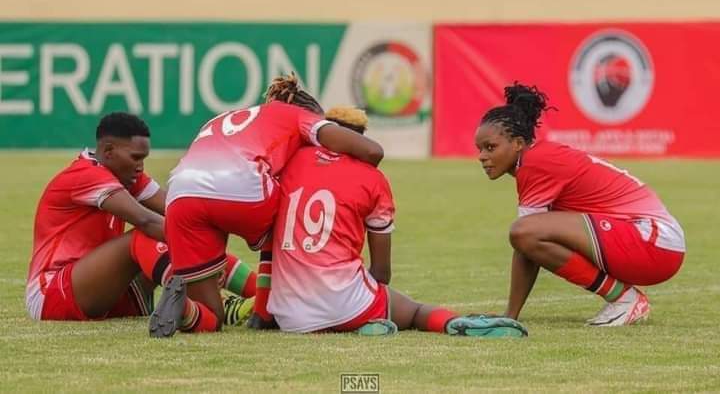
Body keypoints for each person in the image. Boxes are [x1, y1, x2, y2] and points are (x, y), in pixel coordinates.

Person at [149, 74, 385, 337]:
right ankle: (263, 312)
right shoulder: (298, 116)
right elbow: (372, 151)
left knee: (211, 317)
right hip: (242, 189)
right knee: (290, 213)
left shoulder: (224, 117)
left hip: (181, 195)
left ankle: (185, 310)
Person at [267, 106, 528, 337]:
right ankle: (452, 323)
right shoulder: (372, 179)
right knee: (414, 312)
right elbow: (382, 272)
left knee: (351, 301)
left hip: (289, 316)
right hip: (348, 304)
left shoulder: (292, 163)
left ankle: (364, 324)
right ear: (361, 138)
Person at [474, 83, 685, 326]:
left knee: (524, 231)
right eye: (479, 149)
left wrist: (510, 315)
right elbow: (527, 245)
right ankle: (623, 298)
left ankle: (624, 299)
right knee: (526, 232)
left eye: (491, 147)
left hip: (654, 242)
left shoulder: (535, 162)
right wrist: (510, 317)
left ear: (519, 143)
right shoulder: (537, 159)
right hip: (654, 242)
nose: (482, 156)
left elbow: (525, 235)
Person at [26, 112, 257, 324]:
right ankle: (214, 308)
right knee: (144, 235)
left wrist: (212, 232)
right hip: (53, 294)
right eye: (135, 158)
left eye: (143, 158)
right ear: (108, 152)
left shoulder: (126, 175)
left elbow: (179, 213)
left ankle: (261, 295)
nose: (140, 167)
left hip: (104, 291)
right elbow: (147, 221)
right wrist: (204, 259)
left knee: (187, 232)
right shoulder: (86, 174)